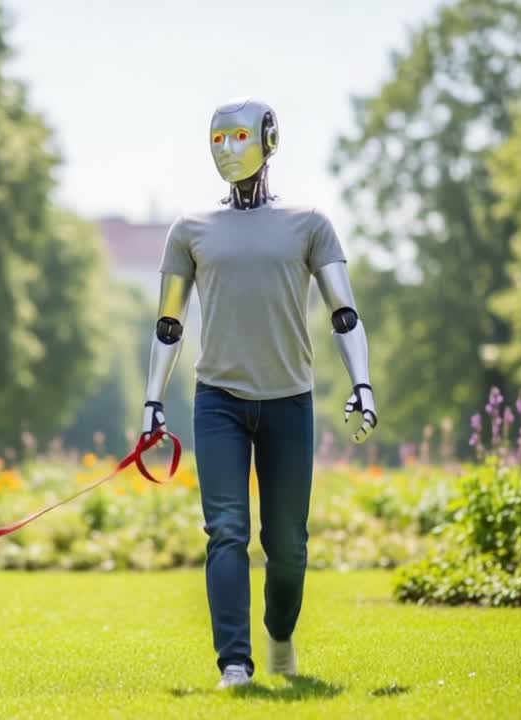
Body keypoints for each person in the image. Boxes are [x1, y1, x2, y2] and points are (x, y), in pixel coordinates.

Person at [141, 97, 377, 689]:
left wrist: (362, 383)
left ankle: (278, 634)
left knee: (288, 545)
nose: (227, 149)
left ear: (269, 140)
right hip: (217, 400)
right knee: (226, 530)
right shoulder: (190, 230)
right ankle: (235, 664)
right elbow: (169, 324)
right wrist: (152, 402)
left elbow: (344, 313)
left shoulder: (310, 223)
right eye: (218, 139)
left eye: (240, 136)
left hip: (289, 401)